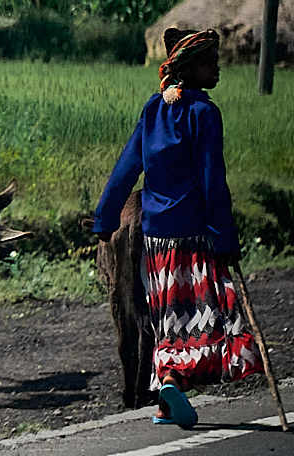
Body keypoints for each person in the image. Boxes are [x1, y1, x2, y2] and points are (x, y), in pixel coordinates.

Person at [93, 28, 262, 430]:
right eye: (210, 62)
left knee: (168, 316)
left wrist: (105, 219)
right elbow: (212, 181)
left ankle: (168, 392)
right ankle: (176, 380)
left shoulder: (153, 110)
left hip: (155, 238)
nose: (218, 68)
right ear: (189, 68)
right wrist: (224, 237)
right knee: (209, 311)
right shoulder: (205, 114)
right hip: (193, 235)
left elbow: (125, 170)